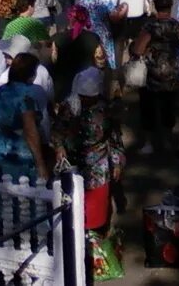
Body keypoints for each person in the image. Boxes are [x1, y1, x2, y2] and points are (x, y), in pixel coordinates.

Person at [53, 66, 126, 232]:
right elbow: (57, 130)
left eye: (90, 97)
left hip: (98, 167)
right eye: (84, 97)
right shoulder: (69, 107)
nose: (87, 100)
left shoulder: (106, 109)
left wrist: (117, 162)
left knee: (95, 213)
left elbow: (114, 138)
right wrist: (59, 147)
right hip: (72, 164)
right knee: (72, 208)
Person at [130, 0, 179, 154]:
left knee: (148, 107)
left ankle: (148, 143)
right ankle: (167, 140)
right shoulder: (178, 26)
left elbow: (138, 49)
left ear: (155, 6)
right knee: (169, 106)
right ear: (171, 7)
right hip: (172, 70)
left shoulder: (150, 27)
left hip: (152, 71)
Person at [0, 52, 50, 181]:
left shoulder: (0, 91)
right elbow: (30, 130)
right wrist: (41, 164)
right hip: (20, 155)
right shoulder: (27, 95)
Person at [76, 0, 127, 69]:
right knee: (104, 57)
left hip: (88, 31)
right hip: (103, 33)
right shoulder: (105, 0)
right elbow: (114, 18)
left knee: (89, 56)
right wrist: (123, 12)